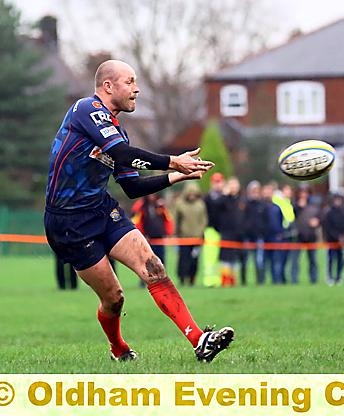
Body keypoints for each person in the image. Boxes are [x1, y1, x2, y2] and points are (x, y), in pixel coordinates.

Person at [44, 59, 233, 362]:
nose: (137, 89)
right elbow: (122, 155)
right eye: (130, 82)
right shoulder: (85, 110)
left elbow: (132, 186)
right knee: (114, 298)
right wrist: (173, 161)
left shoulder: (117, 132)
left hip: (101, 209)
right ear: (108, 86)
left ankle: (200, 341)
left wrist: (176, 176)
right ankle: (118, 349)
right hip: (68, 221)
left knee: (154, 267)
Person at [131, 193, 174, 287]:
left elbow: (168, 219)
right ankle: (144, 280)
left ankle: (162, 280)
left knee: (161, 259)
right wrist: (141, 235)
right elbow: (137, 221)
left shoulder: (160, 205)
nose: (152, 195)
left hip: (159, 238)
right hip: (147, 238)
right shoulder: (141, 206)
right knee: (146, 260)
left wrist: (169, 232)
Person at [172, 182, 208, 286]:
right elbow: (176, 220)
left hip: (196, 239)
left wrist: (201, 232)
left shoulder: (200, 205)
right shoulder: (180, 204)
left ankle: (192, 278)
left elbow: (204, 220)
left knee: (194, 261)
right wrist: (176, 234)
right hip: (183, 238)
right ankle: (182, 278)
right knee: (183, 260)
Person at [217, 177, 245, 287]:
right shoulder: (224, 199)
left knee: (235, 260)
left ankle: (234, 282)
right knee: (225, 260)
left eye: (235, 184)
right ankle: (225, 281)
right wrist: (224, 194)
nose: (234, 187)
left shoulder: (242, 200)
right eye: (231, 184)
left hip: (238, 235)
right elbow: (216, 206)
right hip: (226, 234)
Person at [291, 186, 321, 284]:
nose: (303, 195)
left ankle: (313, 279)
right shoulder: (295, 205)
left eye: (305, 193)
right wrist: (300, 207)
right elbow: (292, 216)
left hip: (311, 236)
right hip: (298, 236)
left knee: (312, 260)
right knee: (295, 260)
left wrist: (317, 222)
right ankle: (294, 280)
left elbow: (320, 218)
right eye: (301, 193)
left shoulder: (314, 206)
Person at [242, 180, 269, 285]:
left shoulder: (262, 205)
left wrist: (263, 231)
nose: (255, 192)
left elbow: (266, 221)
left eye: (257, 190)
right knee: (245, 262)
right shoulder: (245, 205)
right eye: (253, 190)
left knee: (259, 261)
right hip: (247, 237)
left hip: (259, 237)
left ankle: (260, 281)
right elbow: (242, 220)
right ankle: (244, 282)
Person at [322, 193, 344, 286]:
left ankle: (339, 277)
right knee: (330, 260)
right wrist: (337, 237)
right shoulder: (329, 213)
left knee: (340, 260)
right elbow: (328, 228)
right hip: (331, 241)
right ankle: (329, 277)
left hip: (342, 242)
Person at [202, 172, 225, 287]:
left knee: (220, 258)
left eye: (219, 182)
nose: (218, 185)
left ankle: (219, 280)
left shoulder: (225, 197)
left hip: (223, 230)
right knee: (210, 257)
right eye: (216, 182)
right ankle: (209, 280)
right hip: (211, 230)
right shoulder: (207, 198)